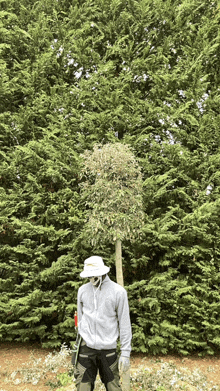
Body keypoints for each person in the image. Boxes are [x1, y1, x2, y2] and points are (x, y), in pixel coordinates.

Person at [74, 255, 132, 391]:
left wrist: (125, 353)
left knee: (113, 387)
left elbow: (124, 324)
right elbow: (80, 320)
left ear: (103, 272)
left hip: (108, 349)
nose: (91, 278)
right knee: (83, 388)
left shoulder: (118, 292)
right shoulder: (82, 291)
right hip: (86, 349)